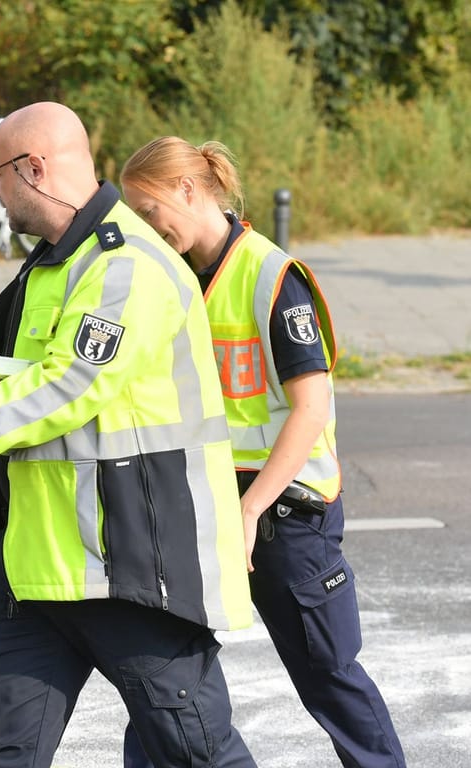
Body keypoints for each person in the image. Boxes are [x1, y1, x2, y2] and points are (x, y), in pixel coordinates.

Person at [0, 102, 257, 768]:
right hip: (37, 568)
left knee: (196, 753)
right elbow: (19, 385)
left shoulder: (128, 267)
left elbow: (68, 389)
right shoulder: (52, 267)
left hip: (130, 564)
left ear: (34, 169)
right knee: (1, 753)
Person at [119, 137, 406, 768]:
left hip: (282, 515)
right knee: (164, 684)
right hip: (198, 507)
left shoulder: (272, 276)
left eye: (147, 211)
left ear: (189, 191)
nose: (142, 227)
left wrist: (249, 510)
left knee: (329, 679)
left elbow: (311, 410)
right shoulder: (167, 278)